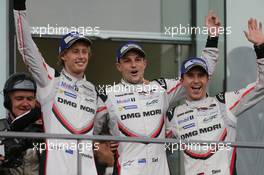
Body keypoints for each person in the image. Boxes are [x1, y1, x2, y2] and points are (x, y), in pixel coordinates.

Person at [94, 12, 221, 175]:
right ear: (119, 66)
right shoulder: (107, 95)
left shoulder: (161, 88)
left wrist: (212, 37)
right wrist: (103, 144)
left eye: (138, 59)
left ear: (145, 63)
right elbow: (88, 133)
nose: (133, 65)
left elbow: (203, 72)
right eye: (127, 60)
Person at [166, 18, 264, 175]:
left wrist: (260, 48)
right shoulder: (173, 115)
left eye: (201, 75)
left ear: (207, 78)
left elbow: (261, 86)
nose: (196, 80)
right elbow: (149, 143)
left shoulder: (225, 103)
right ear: (182, 81)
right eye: (191, 76)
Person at [13, 0, 100, 174]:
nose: (81, 56)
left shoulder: (93, 90)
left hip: (87, 169)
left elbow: (111, 121)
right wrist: (19, 8)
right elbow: (26, 48)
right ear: (63, 56)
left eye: (84, 51)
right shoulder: (50, 80)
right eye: (75, 51)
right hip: (58, 168)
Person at [0, 72, 43, 175]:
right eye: (19, 98)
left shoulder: (48, 130)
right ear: (8, 101)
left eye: (30, 99)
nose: (25, 104)